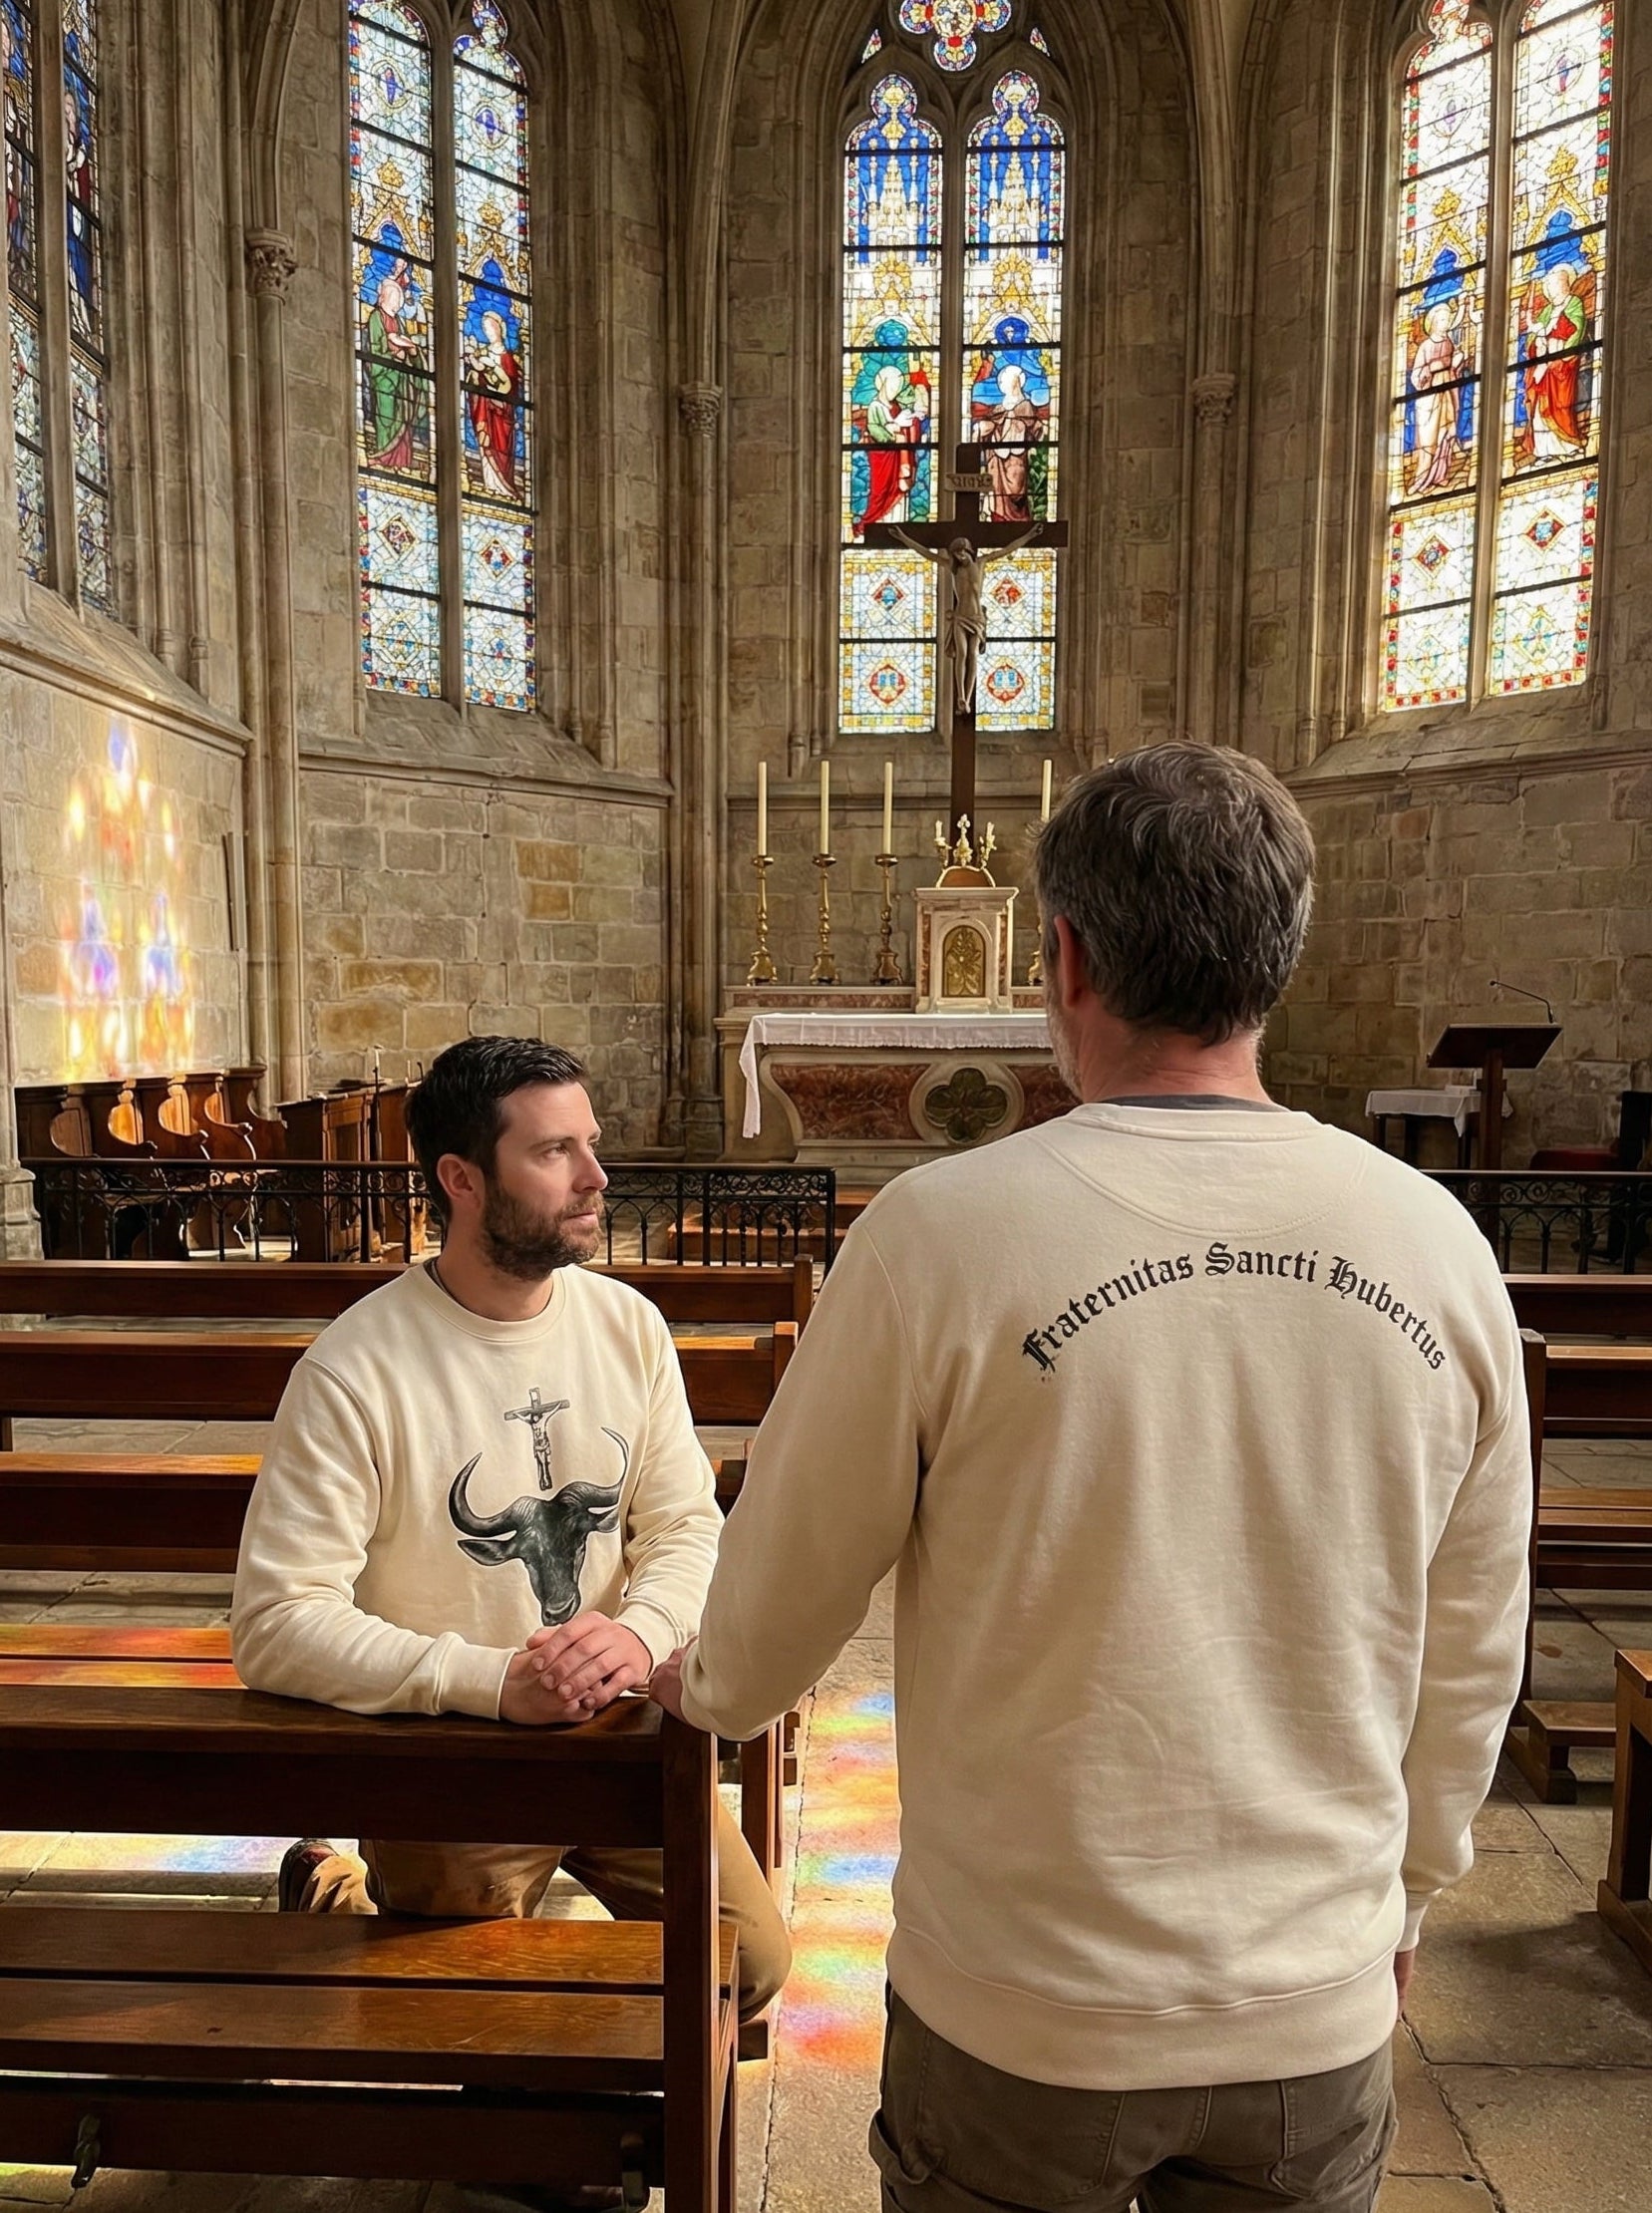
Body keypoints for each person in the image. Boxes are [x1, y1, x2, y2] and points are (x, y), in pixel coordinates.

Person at [644, 743, 1530, 2213]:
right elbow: (1472, 1645)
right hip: (1310, 1995)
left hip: (1022, 2001)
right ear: (1281, 959)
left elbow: (788, 1578)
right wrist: (1411, 1891)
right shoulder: (1438, 1245)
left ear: (1056, 954)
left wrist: (712, 1688)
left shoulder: (937, 1233)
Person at [232, 1037, 791, 2213]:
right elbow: (276, 1624)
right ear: (460, 1179)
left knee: (753, 1961)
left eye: (589, 1143)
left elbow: (689, 1525)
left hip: (618, 1731)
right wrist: (490, 1683)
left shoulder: (626, 1326)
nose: (596, 1174)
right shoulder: (356, 1370)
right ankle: (335, 1885)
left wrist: (637, 1634)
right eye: (555, 1151)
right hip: (455, 1760)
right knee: (487, 2049)